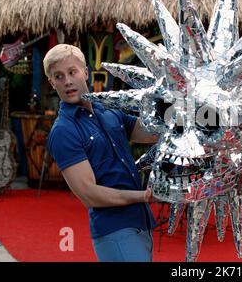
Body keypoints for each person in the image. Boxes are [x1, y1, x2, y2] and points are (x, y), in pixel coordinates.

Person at [44, 44, 158, 262]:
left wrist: (179, 108)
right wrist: (143, 196)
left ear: (85, 72)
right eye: (59, 76)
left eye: (72, 72)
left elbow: (149, 133)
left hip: (140, 221)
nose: (67, 81)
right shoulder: (63, 131)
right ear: (52, 83)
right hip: (114, 230)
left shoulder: (108, 108)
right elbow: (89, 194)